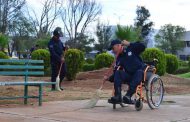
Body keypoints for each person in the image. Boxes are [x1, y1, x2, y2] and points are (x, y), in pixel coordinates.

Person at [104, 39, 145, 104]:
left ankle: (128, 96)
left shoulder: (131, 48)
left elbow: (142, 47)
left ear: (118, 46)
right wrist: (108, 78)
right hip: (129, 76)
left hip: (139, 74)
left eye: (113, 48)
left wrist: (129, 44)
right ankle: (118, 96)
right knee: (118, 72)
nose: (112, 51)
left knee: (139, 72)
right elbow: (116, 75)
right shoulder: (118, 58)